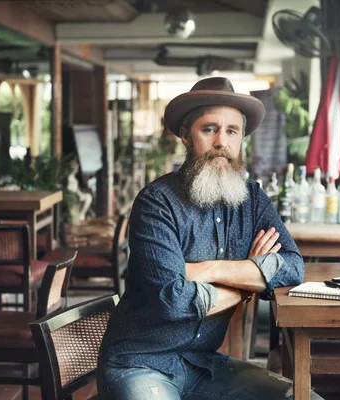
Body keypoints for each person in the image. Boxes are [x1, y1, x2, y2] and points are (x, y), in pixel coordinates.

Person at [97, 77, 322, 400]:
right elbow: (171, 300)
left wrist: (208, 270)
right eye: (209, 129)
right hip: (141, 364)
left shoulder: (253, 200)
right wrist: (247, 282)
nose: (222, 141)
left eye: (232, 131)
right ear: (186, 137)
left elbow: (292, 266)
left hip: (205, 365)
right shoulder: (156, 202)